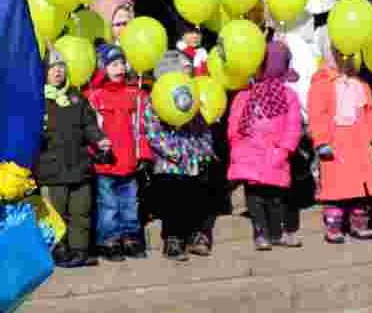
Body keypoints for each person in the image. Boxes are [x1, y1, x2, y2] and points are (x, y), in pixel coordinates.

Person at [227, 40, 303, 251]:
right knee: (254, 196)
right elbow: (235, 121)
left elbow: (293, 125)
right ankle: (260, 233)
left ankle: (277, 232)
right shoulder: (245, 94)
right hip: (248, 151)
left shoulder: (288, 95)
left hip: (275, 151)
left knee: (276, 195)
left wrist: (285, 148)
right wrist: (236, 144)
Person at [308, 35, 372, 244]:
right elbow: (317, 115)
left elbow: (368, 111)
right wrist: (322, 141)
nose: (343, 58)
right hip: (335, 143)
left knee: (360, 186)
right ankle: (334, 225)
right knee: (335, 186)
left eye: (348, 54)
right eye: (337, 53)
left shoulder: (360, 84)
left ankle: (359, 223)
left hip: (359, 141)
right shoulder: (321, 84)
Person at [142, 52, 216, 261]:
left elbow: (203, 129)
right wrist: (176, 153)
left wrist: (204, 150)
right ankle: (172, 239)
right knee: (173, 200)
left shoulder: (191, 100)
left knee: (195, 198)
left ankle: (195, 235)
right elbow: (154, 133)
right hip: (169, 164)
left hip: (193, 162)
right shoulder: (155, 101)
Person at [39, 49, 109, 269]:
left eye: (61, 66)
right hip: (52, 169)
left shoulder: (77, 97)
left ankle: (81, 249)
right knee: (55, 213)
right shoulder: (38, 99)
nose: (58, 71)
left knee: (81, 210)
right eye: (52, 67)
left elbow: (89, 125)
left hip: (79, 165)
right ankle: (58, 249)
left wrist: (99, 139)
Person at [85, 44, 151, 261]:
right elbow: (89, 128)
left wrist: (144, 155)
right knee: (108, 205)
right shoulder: (94, 96)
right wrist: (93, 152)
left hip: (129, 161)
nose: (119, 68)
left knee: (130, 203)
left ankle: (130, 238)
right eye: (113, 64)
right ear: (103, 68)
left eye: (122, 63)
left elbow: (140, 128)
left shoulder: (135, 94)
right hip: (105, 163)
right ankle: (109, 240)